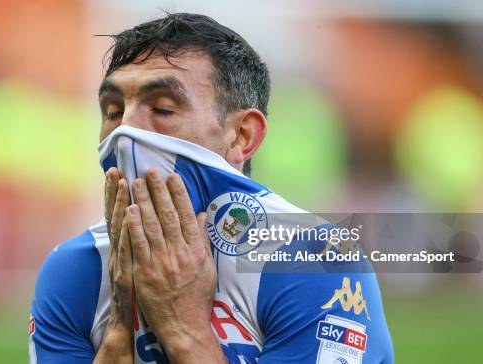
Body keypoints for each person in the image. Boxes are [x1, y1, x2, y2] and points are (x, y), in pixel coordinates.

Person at [29, 13, 394, 363]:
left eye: (162, 108)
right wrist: (121, 321)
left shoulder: (314, 261)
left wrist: (184, 331)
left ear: (241, 136)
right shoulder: (75, 268)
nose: (126, 131)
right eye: (112, 111)